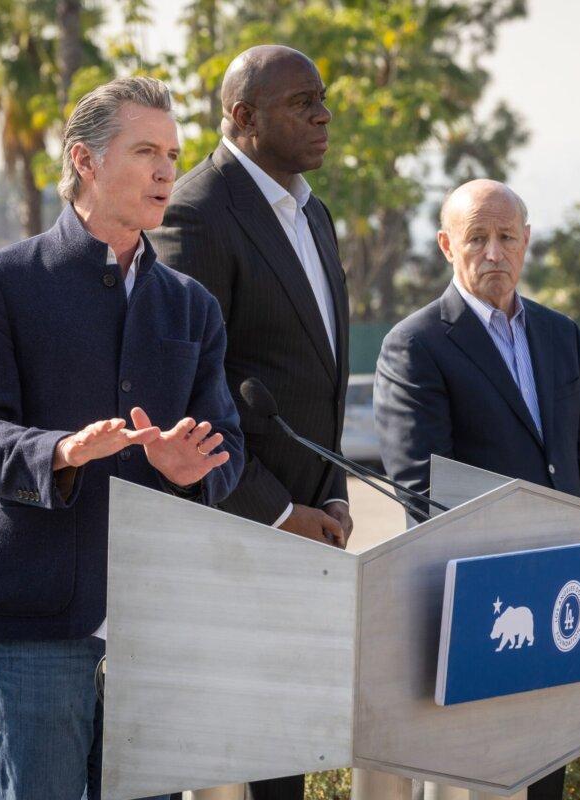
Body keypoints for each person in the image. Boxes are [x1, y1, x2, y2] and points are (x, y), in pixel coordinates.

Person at [0, 76, 244, 800]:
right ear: (85, 160)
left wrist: (188, 468)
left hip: (154, 621)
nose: (167, 170)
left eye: (172, 152)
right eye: (146, 151)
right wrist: (61, 453)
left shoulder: (192, 306)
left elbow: (227, 443)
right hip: (37, 616)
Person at [149, 44, 349, 800]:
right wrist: (276, 511)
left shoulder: (313, 212)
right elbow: (191, 393)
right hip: (233, 532)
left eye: (322, 97)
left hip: (307, 531)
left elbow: (318, 379)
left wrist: (329, 494)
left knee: (283, 761)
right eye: (303, 103)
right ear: (242, 116)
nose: (324, 114)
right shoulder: (198, 212)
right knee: (226, 769)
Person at [374, 178, 580, 800]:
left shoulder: (560, 335)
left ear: (527, 243)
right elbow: (421, 485)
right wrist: (518, 557)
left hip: (560, 589)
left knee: (544, 773)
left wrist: (577, 541)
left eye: (507, 237)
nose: (493, 252)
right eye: (476, 237)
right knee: (476, 781)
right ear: (446, 245)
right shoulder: (416, 344)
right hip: (476, 599)